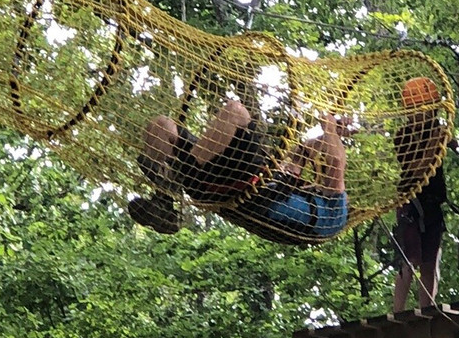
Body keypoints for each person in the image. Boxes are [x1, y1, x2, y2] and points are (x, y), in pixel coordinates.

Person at [128, 100, 348, 241]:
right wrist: (330, 135)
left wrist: (329, 127)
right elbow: (302, 153)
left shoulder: (334, 215)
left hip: (248, 190)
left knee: (236, 112)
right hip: (216, 182)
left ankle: (178, 175)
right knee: (161, 126)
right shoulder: (302, 193)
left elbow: (336, 162)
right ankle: (164, 197)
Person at [392, 76, 448, 312]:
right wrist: (438, 140)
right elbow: (419, 167)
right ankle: (398, 310)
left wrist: (442, 139)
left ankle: (427, 307)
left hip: (432, 202)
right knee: (410, 257)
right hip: (411, 201)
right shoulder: (403, 136)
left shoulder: (438, 131)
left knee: (431, 257)